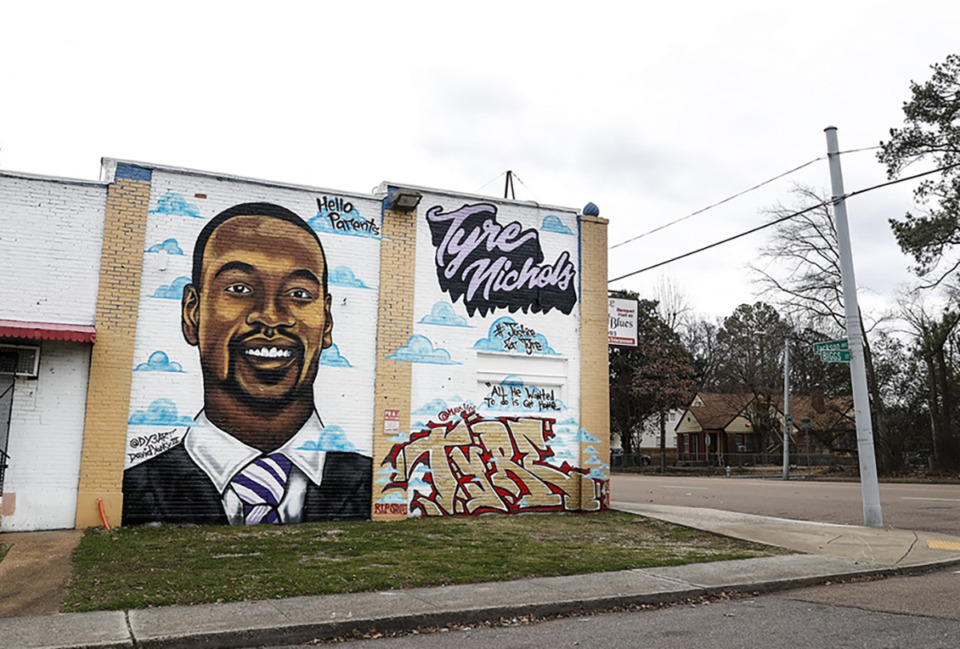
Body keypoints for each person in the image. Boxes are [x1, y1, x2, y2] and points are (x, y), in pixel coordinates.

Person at [122, 202, 371, 525]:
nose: (271, 317)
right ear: (192, 312)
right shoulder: (136, 492)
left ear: (327, 322)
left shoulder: (373, 485)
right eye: (239, 289)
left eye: (299, 294)